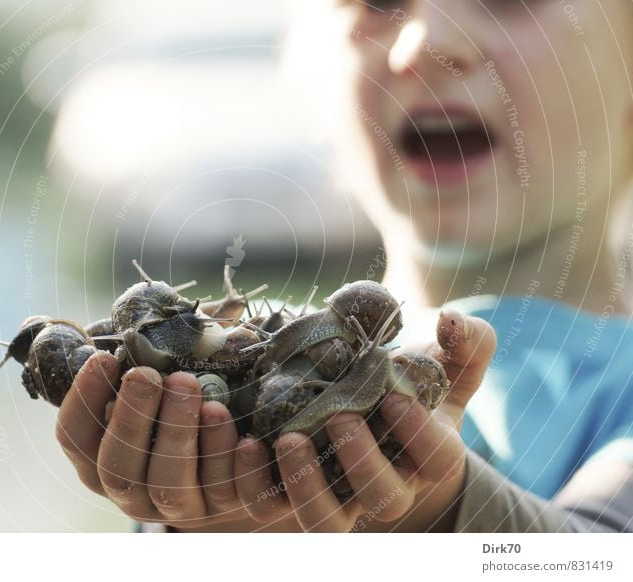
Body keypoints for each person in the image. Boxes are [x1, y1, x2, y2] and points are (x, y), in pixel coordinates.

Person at [55, 0, 633, 532]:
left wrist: (427, 513)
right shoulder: (249, 371)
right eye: (378, 3)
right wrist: (200, 525)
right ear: (312, 83)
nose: (425, 45)